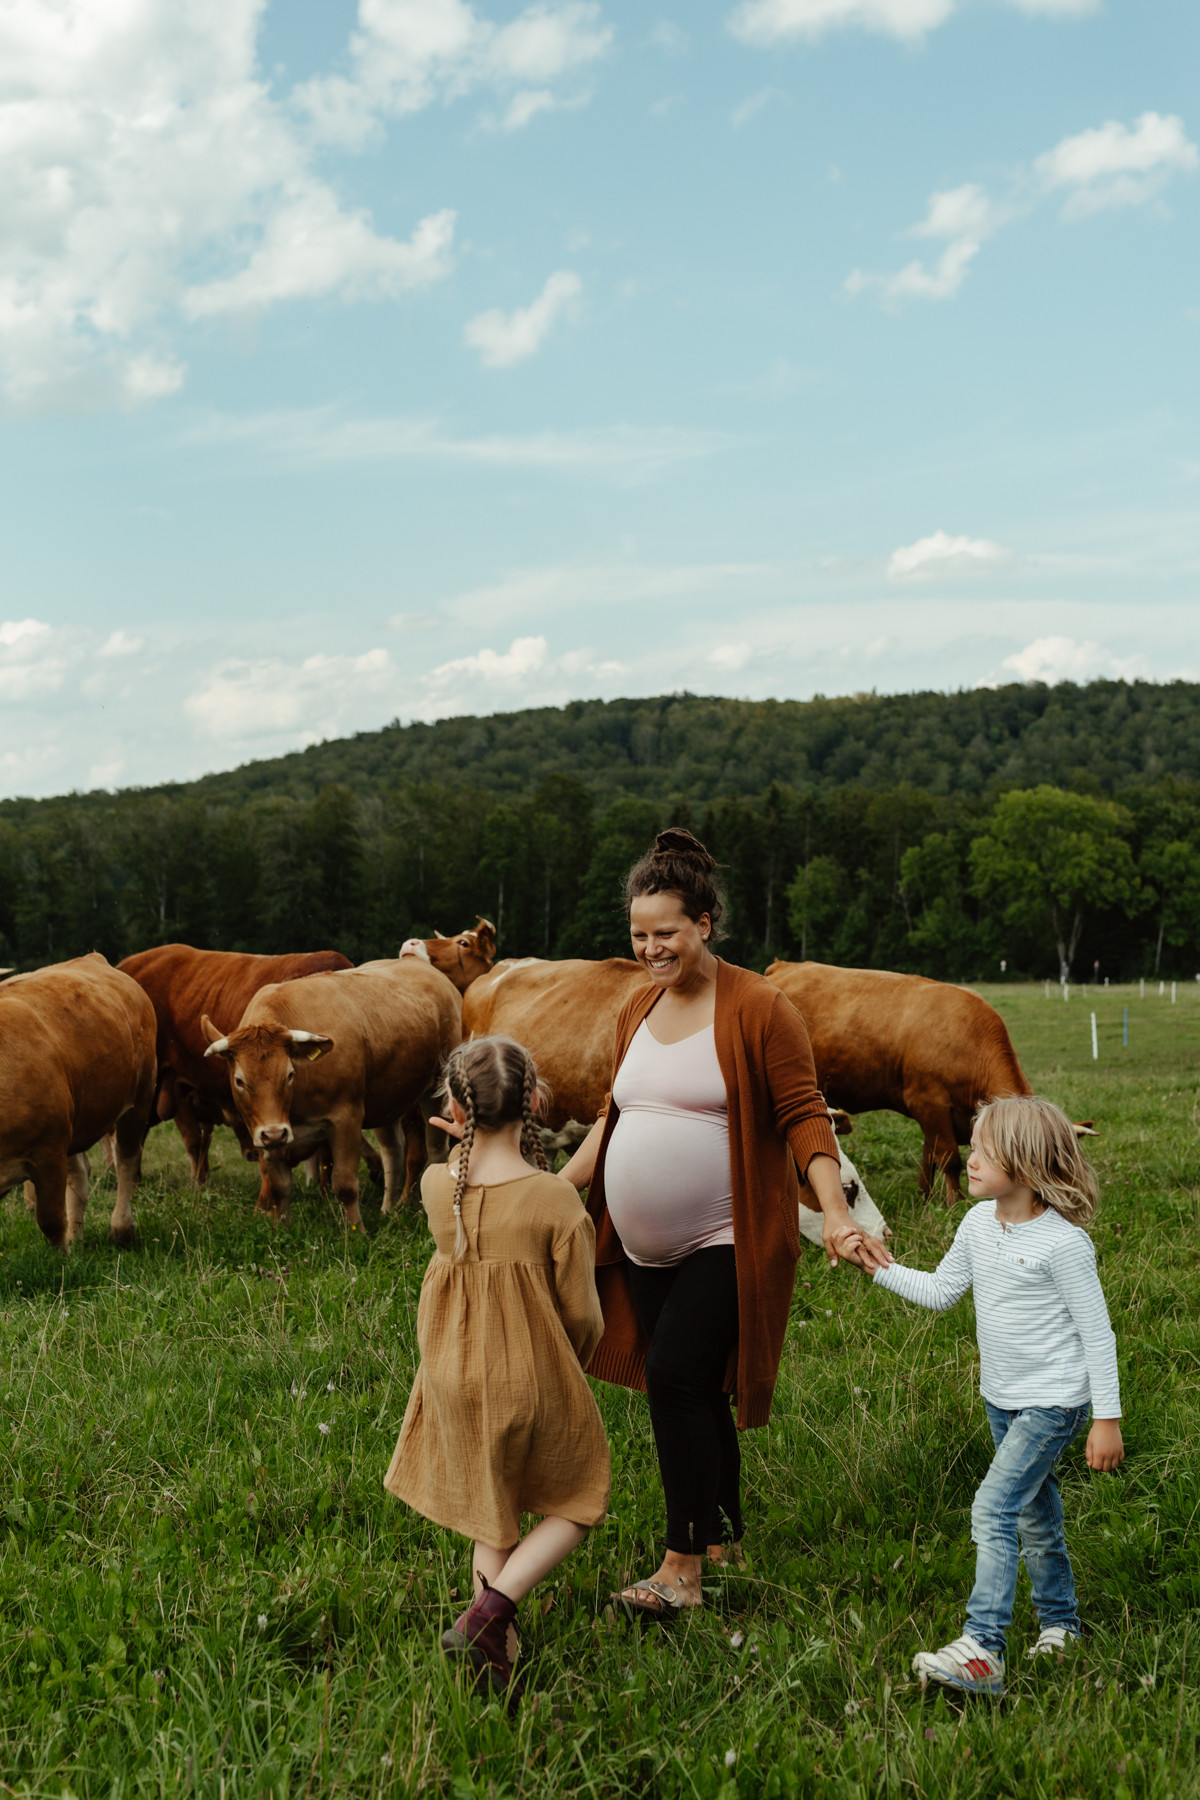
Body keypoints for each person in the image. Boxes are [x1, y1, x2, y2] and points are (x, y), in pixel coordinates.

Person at [561, 828, 890, 1620]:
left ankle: (681, 1568)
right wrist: (550, 1192)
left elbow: (805, 1116)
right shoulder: (637, 1004)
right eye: (639, 934)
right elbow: (613, 1116)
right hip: (642, 1245)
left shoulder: (761, 1008)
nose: (651, 950)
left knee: (676, 1376)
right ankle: (723, 1535)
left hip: (729, 1235)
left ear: (704, 924)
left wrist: (835, 1213)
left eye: (666, 933)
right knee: (694, 1386)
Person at [872, 1094, 1124, 1697]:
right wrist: (875, 1265)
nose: (971, 1159)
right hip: (1001, 1398)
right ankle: (1061, 1626)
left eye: (984, 1151)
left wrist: (1106, 1418)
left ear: (1025, 1162)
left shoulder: (1063, 1244)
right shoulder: (977, 1224)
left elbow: (1098, 1333)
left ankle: (983, 1647)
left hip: (1053, 1403)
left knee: (992, 1508)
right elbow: (940, 1292)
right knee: (1034, 1513)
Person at [384, 1036, 610, 1697]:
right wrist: (573, 1363)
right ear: (535, 1103)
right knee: (581, 1498)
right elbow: (584, 1315)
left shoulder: (437, 1187)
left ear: (456, 1108)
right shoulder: (554, 1199)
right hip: (528, 1375)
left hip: (451, 1373)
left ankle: (494, 1652)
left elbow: (469, 1179)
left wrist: (464, 1140)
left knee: (493, 1507)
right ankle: (494, 1608)